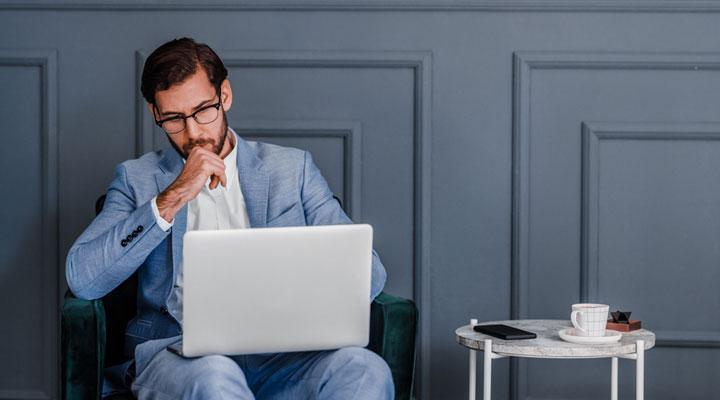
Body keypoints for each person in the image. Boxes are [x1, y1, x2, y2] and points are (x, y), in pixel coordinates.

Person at [65, 37, 393, 400]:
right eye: (173, 119)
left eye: (203, 110)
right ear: (155, 113)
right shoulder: (136, 179)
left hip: (284, 359)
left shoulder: (293, 169)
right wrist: (172, 197)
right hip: (180, 355)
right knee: (215, 377)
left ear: (224, 95)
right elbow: (83, 279)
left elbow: (370, 274)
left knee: (366, 371)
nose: (192, 133)